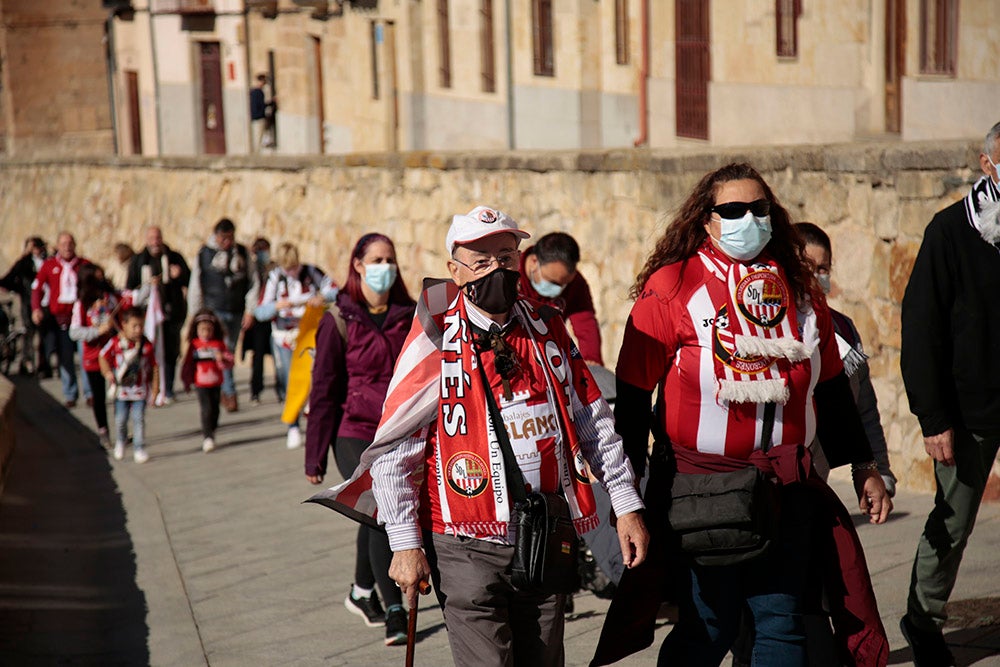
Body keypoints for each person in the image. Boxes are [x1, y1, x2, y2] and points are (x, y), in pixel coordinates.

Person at [319, 206, 649, 666]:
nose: (497, 269)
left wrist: (627, 505)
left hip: (545, 533)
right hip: (463, 543)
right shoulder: (434, 340)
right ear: (454, 269)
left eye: (505, 256)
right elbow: (397, 451)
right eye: (481, 260)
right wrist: (406, 545)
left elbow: (593, 419)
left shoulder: (548, 326)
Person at [594, 163, 891, 667]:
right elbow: (634, 392)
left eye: (759, 209)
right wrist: (630, 495)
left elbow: (833, 383)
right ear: (706, 220)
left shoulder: (798, 288)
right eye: (731, 210)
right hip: (701, 493)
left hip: (787, 490)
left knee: (781, 622)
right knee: (709, 626)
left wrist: (864, 466)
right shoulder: (671, 287)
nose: (747, 218)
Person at [898, 121, 1000, 667]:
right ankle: (922, 617)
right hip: (967, 411)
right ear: (988, 165)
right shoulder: (951, 232)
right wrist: (932, 417)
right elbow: (920, 328)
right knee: (953, 523)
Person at [304, 233, 415, 646]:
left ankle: (359, 591)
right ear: (357, 265)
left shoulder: (410, 315)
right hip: (353, 431)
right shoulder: (338, 319)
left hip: (398, 429)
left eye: (391, 258)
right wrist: (314, 457)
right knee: (383, 509)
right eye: (377, 259)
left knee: (374, 513)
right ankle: (393, 610)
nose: (385, 266)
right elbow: (324, 390)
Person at [795, 222, 897, 495]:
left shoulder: (845, 332)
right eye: (806, 266)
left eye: (823, 269)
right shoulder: (770, 328)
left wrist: (877, 470)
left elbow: (863, 408)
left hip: (817, 477)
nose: (815, 276)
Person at [254, 242, 337, 449]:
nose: (291, 272)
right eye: (287, 267)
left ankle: (312, 423)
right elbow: (260, 311)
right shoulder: (274, 278)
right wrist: (276, 306)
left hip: (308, 334)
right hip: (284, 336)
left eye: (294, 267)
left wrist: (321, 297)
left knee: (310, 379)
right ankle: (292, 424)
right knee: (288, 380)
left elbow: (335, 290)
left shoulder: (311, 272)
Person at [69, 264, 147, 449]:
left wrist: (149, 284)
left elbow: (135, 297)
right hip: (93, 354)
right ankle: (103, 430)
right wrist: (95, 331)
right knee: (98, 395)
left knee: (123, 390)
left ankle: (123, 429)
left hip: (117, 353)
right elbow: (74, 332)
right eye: (97, 278)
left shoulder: (111, 297)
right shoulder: (81, 305)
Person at [188, 217, 259, 413]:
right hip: (214, 311)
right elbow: (196, 284)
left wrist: (250, 310)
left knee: (228, 350)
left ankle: (219, 388)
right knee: (224, 349)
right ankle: (229, 393)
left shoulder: (242, 254)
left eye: (230, 237)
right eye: (223, 237)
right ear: (216, 236)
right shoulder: (205, 254)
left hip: (236, 311)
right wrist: (196, 314)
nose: (227, 241)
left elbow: (253, 283)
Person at [518, 231, 604, 365]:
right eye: (553, 282)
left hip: (553, 358)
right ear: (534, 261)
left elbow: (586, 325)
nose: (558, 290)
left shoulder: (575, 282)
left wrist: (591, 361)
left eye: (563, 285)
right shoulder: (510, 277)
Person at [31, 232, 91, 407]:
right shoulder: (49, 266)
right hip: (60, 320)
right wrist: (36, 309)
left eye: (70, 243)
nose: (67, 247)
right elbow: (37, 288)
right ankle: (70, 394)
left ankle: (90, 393)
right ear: (57, 246)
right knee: (65, 358)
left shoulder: (83, 265)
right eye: (63, 243)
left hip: (81, 318)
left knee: (85, 355)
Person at [99, 306, 157, 464]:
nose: (138, 330)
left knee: (138, 419)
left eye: (141, 326)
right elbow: (103, 356)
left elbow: (153, 367)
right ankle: (120, 441)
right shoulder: (116, 343)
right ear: (124, 325)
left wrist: (155, 389)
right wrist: (107, 373)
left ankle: (139, 448)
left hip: (140, 390)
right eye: (134, 326)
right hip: (121, 391)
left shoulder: (146, 345)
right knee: (120, 419)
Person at [181, 309, 234, 453]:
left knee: (215, 409)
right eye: (202, 329)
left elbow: (230, 361)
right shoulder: (194, 345)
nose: (206, 333)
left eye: (209, 329)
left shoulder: (219, 344)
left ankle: (213, 429)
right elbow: (187, 365)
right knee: (206, 409)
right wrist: (187, 381)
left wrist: (221, 357)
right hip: (201, 383)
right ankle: (207, 436)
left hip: (216, 382)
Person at [0, 236, 48, 375]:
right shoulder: (24, 263)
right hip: (28, 303)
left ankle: (43, 365)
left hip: (45, 304)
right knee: (29, 333)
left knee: (43, 336)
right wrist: (18, 288)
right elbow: (9, 278)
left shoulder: (47, 261)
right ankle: (27, 363)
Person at [244, 237, 274, 406]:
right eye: (259, 249)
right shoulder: (251, 268)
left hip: (274, 316)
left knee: (277, 356)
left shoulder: (274, 268)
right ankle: (256, 390)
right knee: (258, 355)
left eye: (265, 248)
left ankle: (281, 388)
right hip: (257, 318)